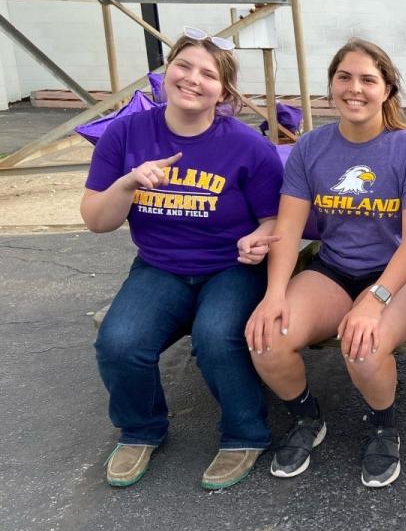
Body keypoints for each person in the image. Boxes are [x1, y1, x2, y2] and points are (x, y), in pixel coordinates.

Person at [82, 28, 284, 490]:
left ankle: (244, 435)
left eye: (208, 74)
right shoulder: (127, 132)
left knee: (217, 338)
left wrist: (259, 237)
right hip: (160, 265)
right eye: (184, 66)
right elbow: (96, 220)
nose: (193, 80)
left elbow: (279, 219)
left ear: (224, 91)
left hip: (230, 267)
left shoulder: (246, 146)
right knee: (119, 342)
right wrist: (128, 183)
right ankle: (140, 430)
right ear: (166, 71)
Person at [245, 38, 406, 488]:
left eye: (368, 79)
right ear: (331, 85)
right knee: (266, 339)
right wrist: (273, 296)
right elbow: (288, 231)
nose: (355, 88)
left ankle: (384, 427)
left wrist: (375, 299)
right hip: (334, 269)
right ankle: (308, 419)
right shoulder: (311, 147)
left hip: (401, 275)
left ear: (387, 89)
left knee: (363, 347)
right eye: (344, 77)